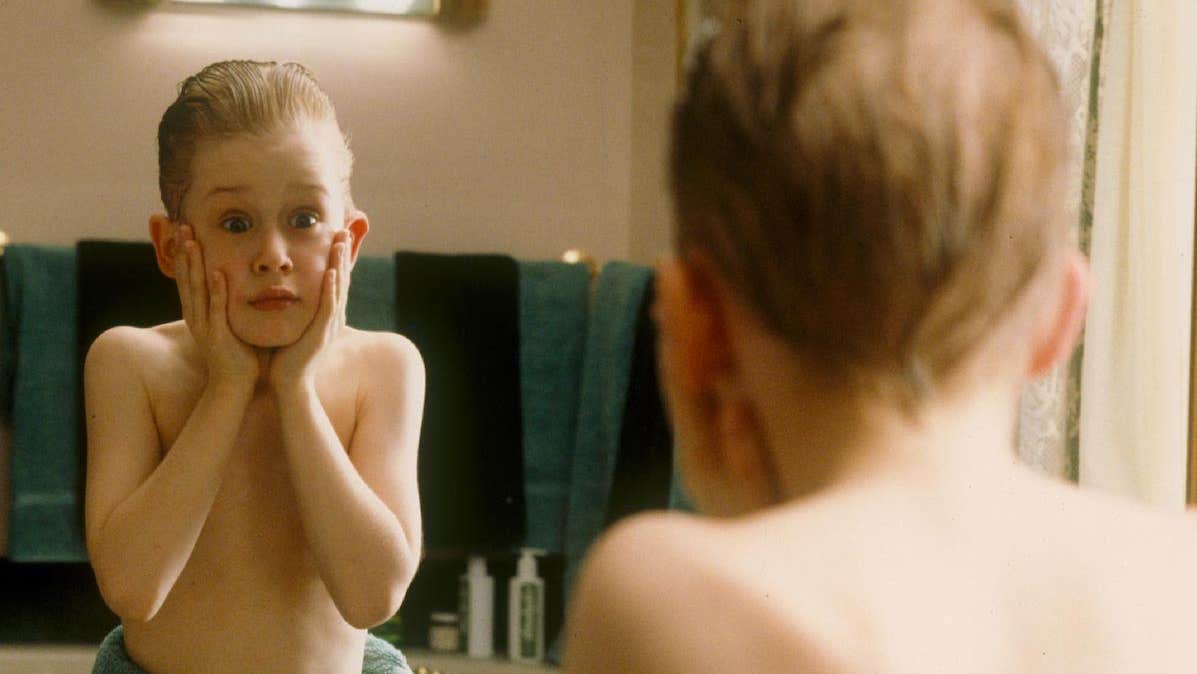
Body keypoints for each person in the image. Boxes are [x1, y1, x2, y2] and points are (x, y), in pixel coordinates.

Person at [563, 1, 1197, 672]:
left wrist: (744, 528)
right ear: (1060, 318)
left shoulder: (660, 595)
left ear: (695, 323)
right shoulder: (1177, 575)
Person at [84, 60, 423, 674]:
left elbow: (373, 597)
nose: (273, 256)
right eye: (236, 224)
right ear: (171, 246)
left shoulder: (385, 368)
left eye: (303, 219)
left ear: (351, 239)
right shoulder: (131, 363)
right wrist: (228, 386)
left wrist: (295, 388)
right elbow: (132, 590)